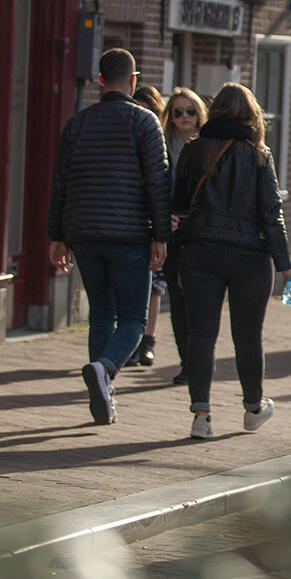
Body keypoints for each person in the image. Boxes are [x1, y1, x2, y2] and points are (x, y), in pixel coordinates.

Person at [171, 82, 291, 439]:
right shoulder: (259, 155)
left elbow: (179, 203)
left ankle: (201, 415)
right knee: (247, 337)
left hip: (199, 252)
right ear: (251, 115)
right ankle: (253, 408)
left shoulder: (193, 151)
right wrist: (285, 264)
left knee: (200, 334)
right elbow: (271, 213)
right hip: (248, 257)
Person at [48, 48, 170, 425]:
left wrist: (57, 236)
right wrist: (160, 234)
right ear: (133, 81)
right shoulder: (145, 122)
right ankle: (106, 369)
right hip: (130, 234)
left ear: (100, 81)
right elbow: (158, 183)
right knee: (133, 318)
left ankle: (102, 395)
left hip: (84, 233)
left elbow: (60, 182)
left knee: (101, 313)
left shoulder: (77, 124)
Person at [158, 87, 210, 384]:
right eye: (178, 112)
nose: (185, 117)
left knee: (198, 300)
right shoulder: (162, 146)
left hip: (200, 233)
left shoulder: (208, 147)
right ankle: (186, 364)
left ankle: (199, 362)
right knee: (177, 299)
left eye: (190, 110)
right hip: (173, 233)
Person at [128, 86, 165, 369]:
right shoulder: (126, 140)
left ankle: (147, 342)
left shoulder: (161, 141)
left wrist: (163, 231)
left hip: (154, 225)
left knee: (154, 288)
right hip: (130, 223)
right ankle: (128, 343)